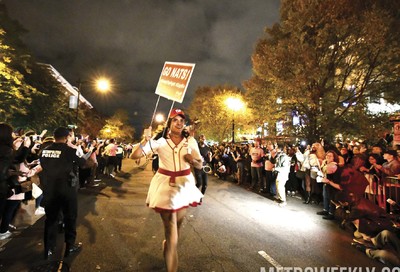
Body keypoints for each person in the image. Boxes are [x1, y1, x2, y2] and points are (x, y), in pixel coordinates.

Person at [130, 109, 203, 272]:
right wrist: (145, 139)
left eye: (181, 120)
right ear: (169, 123)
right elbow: (134, 156)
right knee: (171, 229)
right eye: (175, 120)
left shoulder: (190, 141)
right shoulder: (160, 141)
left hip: (184, 185)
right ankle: (171, 260)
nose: (179, 123)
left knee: (177, 226)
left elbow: (200, 164)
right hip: (165, 185)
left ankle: (169, 244)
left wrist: (192, 160)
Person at [40, 127, 93, 259]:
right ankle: (69, 246)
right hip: (67, 189)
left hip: (50, 190)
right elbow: (84, 164)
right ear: (67, 137)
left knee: (51, 220)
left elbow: (44, 166)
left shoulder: (45, 151)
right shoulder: (70, 150)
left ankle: (48, 249)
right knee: (70, 218)